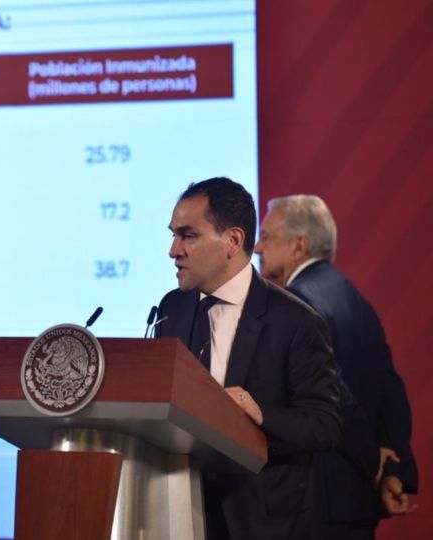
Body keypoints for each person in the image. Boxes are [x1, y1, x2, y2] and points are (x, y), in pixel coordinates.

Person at [155, 177, 341, 540]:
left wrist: (260, 416)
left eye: (188, 235)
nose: (173, 250)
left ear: (233, 241)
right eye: (173, 235)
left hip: (263, 521)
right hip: (180, 514)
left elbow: (326, 424)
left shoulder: (296, 321)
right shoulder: (170, 308)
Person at [254, 194, 418, 539]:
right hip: (357, 499)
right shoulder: (355, 298)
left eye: (267, 237)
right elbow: (391, 388)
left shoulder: (298, 302)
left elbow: (334, 394)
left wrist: (374, 461)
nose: (256, 247)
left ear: (299, 246)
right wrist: (394, 467)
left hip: (320, 501)